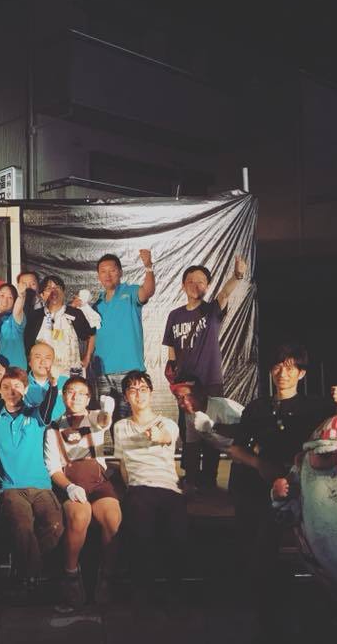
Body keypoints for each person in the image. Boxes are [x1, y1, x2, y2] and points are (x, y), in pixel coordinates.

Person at [225, 343, 337, 636]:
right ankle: (266, 620)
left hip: (309, 487)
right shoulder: (256, 408)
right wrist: (259, 464)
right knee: (262, 551)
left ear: (302, 374)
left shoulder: (315, 406)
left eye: (291, 367)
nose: (283, 373)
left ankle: (329, 616)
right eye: (279, 366)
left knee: (325, 548)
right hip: (267, 487)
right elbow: (235, 449)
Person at [161, 256, 247, 489]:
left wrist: (237, 276)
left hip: (209, 382)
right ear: (183, 285)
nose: (195, 285)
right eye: (190, 281)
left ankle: (209, 478)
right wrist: (173, 377)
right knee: (189, 432)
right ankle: (191, 476)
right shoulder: (175, 315)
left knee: (211, 430)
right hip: (184, 385)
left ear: (207, 286)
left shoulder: (211, 311)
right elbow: (171, 348)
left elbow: (225, 294)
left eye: (201, 281)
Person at [113, 371, 187, 612]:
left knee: (176, 534)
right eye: (133, 390)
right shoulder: (120, 427)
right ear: (126, 396)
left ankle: (174, 592)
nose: (139, 394)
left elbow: (166, 438)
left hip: (168, 487)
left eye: (143, 389)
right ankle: (142, 593)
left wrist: (158, 437)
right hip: (138, 488)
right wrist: (129, 487)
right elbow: (122, 464)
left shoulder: (167, 424)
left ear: (151, 393)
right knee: (140, 530)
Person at [0, 364, 63, 591]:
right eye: (6, 387)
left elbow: (48, 408)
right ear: (0, 391)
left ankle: (26, 570)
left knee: (55, 526)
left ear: (26, 389)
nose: (12, 391)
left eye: (17, 386)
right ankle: (33, 580)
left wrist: (54, 384)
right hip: (11, 488)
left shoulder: (35, 414)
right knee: (21, 527)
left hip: (41, 486)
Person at [43, 378, 119, 607]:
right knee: (80, 515)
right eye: (70, 392)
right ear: (63, 395)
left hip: (98, 483)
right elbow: (53, 469)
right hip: (70, 483)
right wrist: (69, 487)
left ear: (88, 398)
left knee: (112, 517)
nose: (75, 397)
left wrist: (107, 410)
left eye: (81, 393)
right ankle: (71, 575)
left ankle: (106, 576)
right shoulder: (53, 428)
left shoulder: (95, 418)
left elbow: (104, 422)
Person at [90, 250, 155, 424]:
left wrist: (148, 267)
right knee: (108, 421)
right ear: (98, 276)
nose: (108, 275)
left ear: (120, 272)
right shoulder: (97, 304)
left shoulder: (130, 292)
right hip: (102, 372)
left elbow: (147, 291)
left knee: (129, 421)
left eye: (112, 270)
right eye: (103, 271)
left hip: (129, 370)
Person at [25, 276, 95, 378]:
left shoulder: (75, 314)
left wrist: (87, 357)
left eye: (57, 287)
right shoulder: (34, 317)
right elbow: (28, 346)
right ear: (42, 295)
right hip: (43, 375)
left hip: (71, 373)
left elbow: (91, 334)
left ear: (63, 292)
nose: (54, 291)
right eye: (49, 288)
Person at [25, 341, 69, 421]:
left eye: (47, 358)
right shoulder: (20, 383)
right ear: (30, 362)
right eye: (38, 357)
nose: (43, 362)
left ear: (53, 362)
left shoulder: (66, 382)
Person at [0, 282, 27, 369]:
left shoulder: (15, 319)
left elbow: (18, 310)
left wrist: (21, 295)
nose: (5, 300)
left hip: (14, 371)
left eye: (10, 297)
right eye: (2, 295)